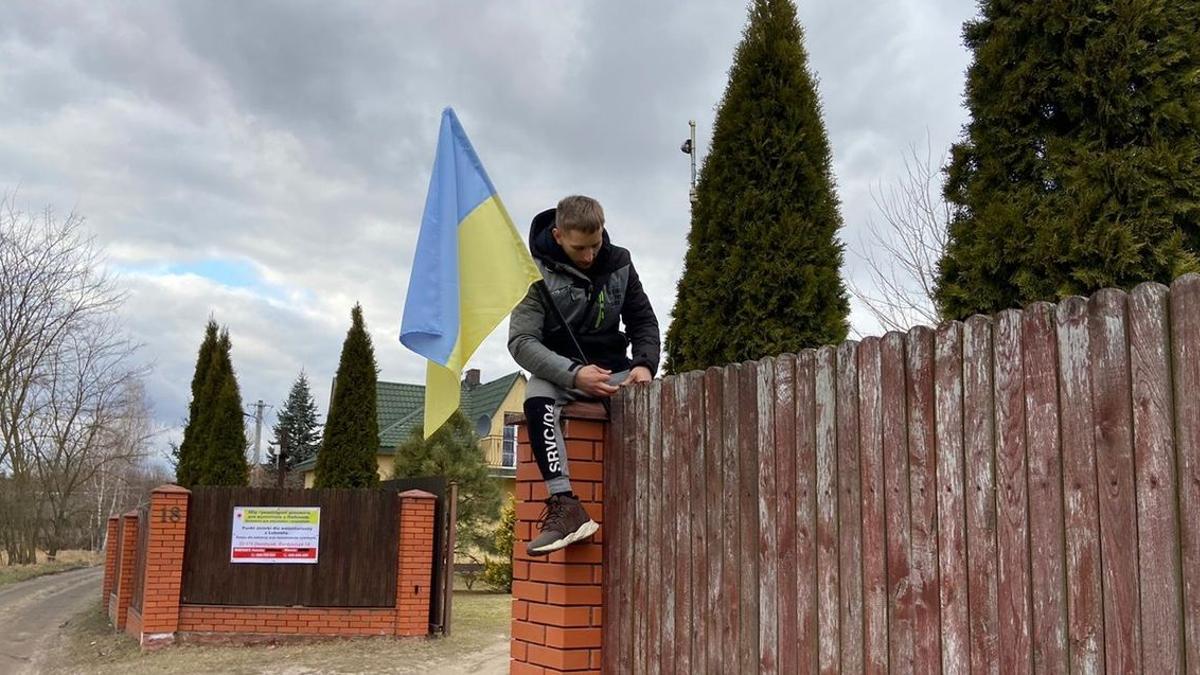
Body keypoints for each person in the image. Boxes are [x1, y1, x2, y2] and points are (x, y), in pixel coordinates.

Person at [508, 195, 660, 556]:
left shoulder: (620, 261)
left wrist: (644, 365)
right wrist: (575, 375)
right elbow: (521, 342)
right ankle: (565, 505)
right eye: (580, 248)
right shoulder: (532, 274)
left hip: (616, 369)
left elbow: (643, 321)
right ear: (558, 235)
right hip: (561, 373)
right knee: (535, 396)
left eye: (596, 244)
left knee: (662, 402)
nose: (590, 256)